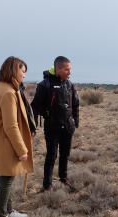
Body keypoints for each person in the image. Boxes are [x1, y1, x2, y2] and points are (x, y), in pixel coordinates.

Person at [0, 56, 34, 217]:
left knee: (8, 176)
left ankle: (9, 210)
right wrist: (22, 149)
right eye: (23, 71)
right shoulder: (8, 92)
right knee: (7, 178)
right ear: (14, 70)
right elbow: (11, 125)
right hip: (6, 142)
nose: (24, 75)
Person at [31, 56, 79, 192]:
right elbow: (34, 106)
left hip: (68, 126)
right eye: (67, 69)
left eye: (70, 69)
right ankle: (47, 185)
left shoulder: (69, 85)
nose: (69, 72)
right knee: (52, 155)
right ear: (58, 69)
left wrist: (75, 122)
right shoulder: (44, 84)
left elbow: (75, 104)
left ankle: (63, 178)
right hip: (52, 127)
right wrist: (32, 125)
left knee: (65, 154)